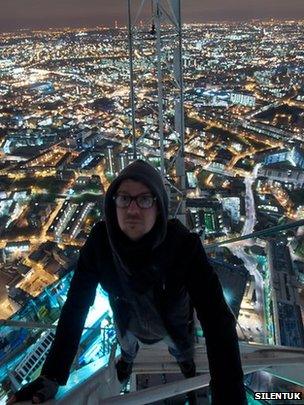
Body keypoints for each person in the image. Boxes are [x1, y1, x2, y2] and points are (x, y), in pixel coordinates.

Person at [7, 160, 247, 405]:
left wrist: (229, 394)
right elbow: (76, 305)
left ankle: (185, 365)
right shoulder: (101, 243)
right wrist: (52, 376)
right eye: (124, 198)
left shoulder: (184, 246)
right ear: (114, 204)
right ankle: (129, 363)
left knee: (180, 350)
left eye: (144, 199)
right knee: (128, 348)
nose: (132, 210)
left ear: (159, 206)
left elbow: (217, 319)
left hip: (171, 324)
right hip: (128, 321)